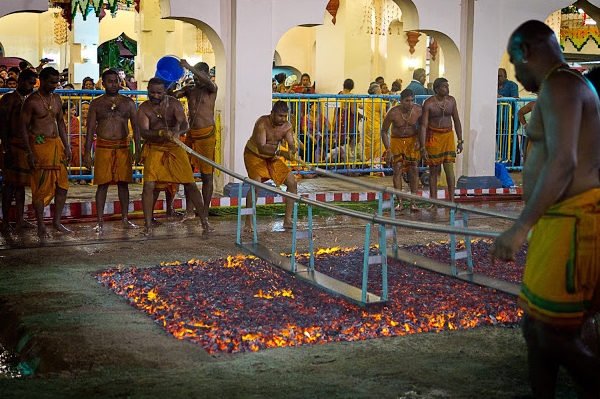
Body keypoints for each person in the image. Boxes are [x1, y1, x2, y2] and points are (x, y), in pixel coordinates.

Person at [490, 20, 600, 399]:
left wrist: (520, 227)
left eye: (514, 64)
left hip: (573, 220)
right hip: (559, 221)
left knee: (553, 335)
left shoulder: (562, 85)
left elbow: (563, 162)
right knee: (535, 328)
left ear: (526, 53)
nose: (516, 74)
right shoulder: (560, 85)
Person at [137, 77, 212, 234]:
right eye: (152, 92)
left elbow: (185, 124)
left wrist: (178, 132)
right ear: (148, 91)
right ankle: (147, 226)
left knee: (190, 183)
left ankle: (205, 221)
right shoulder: (144, 108)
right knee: (149, 185)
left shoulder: (174, 103)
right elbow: (143, 132)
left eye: (159, 93)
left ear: (165, 91)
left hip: (175, 147)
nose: (155, 96)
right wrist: (160, 133)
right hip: (156, 147)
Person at [83, 69, 141, 233]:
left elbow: (136, 128)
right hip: (103, 147)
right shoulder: (96, 104)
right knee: (102, 185)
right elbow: (89, 130)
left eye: (116, 81)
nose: (114, 84)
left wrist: (138, 149)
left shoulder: (128, 102)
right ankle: (99, 220)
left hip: (123, 147)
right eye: (110, 81)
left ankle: (125, 218)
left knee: (124, 185)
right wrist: (87, 153)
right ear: (103, 83)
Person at [19, 67, 72, 238]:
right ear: (41, 80)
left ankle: (56, 222)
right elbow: (23, 129)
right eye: (51, 82)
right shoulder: (32, 101)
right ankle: (41, 224)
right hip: (40, 148)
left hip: (57, 146)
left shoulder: (57, 98)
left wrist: (67, 146)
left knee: (62, 185)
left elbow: (61, 124)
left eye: (56, 82)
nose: (55, 85)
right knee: (40, 187)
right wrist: (29, 152)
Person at [171, 59, 218, 220]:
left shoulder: (212, 89)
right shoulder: (190, 89)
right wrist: (171, 80)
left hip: (206, 135)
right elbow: (173, 95)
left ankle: (204, 209)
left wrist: (190, 67)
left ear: (207, 75)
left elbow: (206, 81)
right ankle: (190, 211)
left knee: (207, 176)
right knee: (187, 174)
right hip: (191, 134)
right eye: (195, 77)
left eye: (200, 76)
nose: (197, 80)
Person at [243, 101, 297, 232]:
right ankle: (248, 221)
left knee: (292, 183)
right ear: (272, 113)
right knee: (256, 184)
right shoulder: (261, 123)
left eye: (285, 116)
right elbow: (262, 147)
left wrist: (292, 149)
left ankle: (288, 220)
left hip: (271, 158)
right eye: (280, 116)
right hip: (254, 155)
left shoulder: (287, 126)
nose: (282, 119)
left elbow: (291, 143)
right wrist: (281, 152)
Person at [0, 69, 38, 231]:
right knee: (9, 185)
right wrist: (6, 148)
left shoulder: (26, 99)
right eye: (29, 83)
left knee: (21, 184)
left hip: (23, 146)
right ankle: (5, 222)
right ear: (21, 81)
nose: (31, 86)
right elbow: (2, 124)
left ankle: (20, 219)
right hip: (11, 146)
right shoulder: (9, 98)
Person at [421, 77, 463, 203]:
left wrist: (460, 141)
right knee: (434, 170)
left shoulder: (451, 101)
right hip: (433, 137)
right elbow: (423, 125)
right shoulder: (428, 103)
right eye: (444, 86)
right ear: (436, 89)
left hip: (448, 136)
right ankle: (434, 202)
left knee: (449, 169)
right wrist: (423, 147)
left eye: (447, 86)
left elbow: (456, 121)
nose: (447, 89)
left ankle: (451, 201)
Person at [381, 89, 424, 211]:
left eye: (412, 100)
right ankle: (400, 202)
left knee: (414, 169)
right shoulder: (393, 112)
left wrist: (419, 141)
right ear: (401, 101)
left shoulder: (418, 110)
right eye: (407, 101)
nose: (410, 103)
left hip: (412, 139)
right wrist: (388, 149)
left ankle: (413, 202)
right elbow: (384, 131)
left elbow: (422, 126)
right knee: (397, 169)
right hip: (397, 140)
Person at [361, 82, 387, 176]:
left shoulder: (367, 101)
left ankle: (372, 167)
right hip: (377, 126)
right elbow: (384, 115)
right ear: (376, 91)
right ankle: (377, 170)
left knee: (370, 148)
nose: (381, 92)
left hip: (367, 127)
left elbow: (360, 106)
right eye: (380, 90)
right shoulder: (380, 101)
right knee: (378, 149)